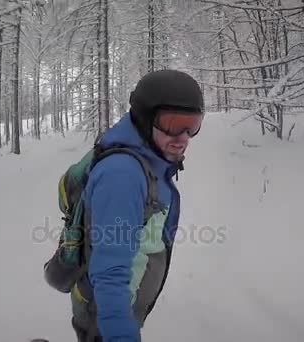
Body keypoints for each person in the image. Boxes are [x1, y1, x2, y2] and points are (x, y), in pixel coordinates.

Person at [70, 69, 205, 342]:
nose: (183, 137)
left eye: (192, 124)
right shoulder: (123, 176)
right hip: (107, 312)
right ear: (144, 119)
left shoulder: (149, 158)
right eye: (173, 123)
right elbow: (110, 273)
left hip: (118, 304)